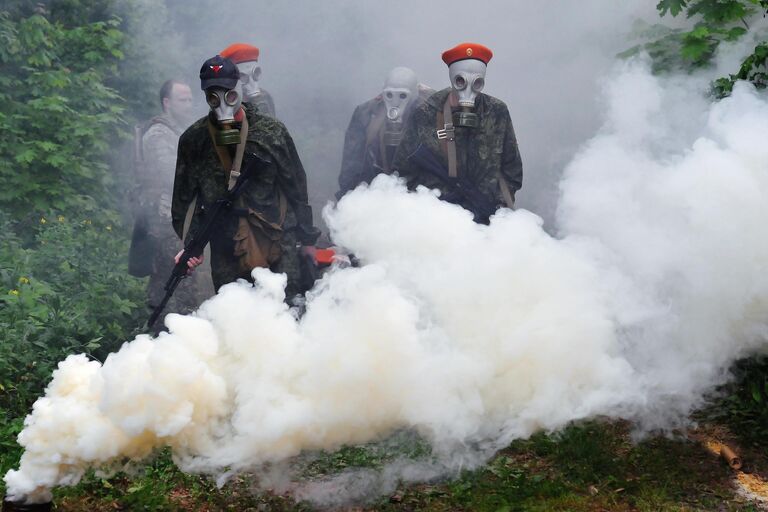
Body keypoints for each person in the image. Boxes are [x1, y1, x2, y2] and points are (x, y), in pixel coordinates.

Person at [171, 55, 319, 298]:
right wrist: (191, 246)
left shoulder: (271, 131)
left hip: (277, 239)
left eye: (228, 91)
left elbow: (296, 187)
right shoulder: (194, 139)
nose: (222, 99)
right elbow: (184, 201)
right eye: (213, 93)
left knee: (286, 311)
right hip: (226, 246)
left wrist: (308, 239)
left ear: (238, 87)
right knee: (234, 314)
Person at [391, 43, 522, 223]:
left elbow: (512, 169)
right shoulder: (426, 114)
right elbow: (402, 171)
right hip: (436, 221)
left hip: (486, 219)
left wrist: (499, 206)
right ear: (453, 79)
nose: (467, 88)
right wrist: (424, 204)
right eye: (460, 81)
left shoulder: (497, 112)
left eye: (476, 82)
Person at [130, 79, 204, 321]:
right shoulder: (159, 134)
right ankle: (174, 332)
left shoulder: (180, 131)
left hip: (176, 216)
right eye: (183, 99)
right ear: (167, 102)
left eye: (191, 99)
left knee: (168, 279)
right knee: (179, 282)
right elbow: (171, 175)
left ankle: (162, 330)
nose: (189, 104)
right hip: (166, 220)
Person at [337, 67, 432, 198]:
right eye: (390, 95)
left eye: (402, 96)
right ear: (383, 93)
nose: (395, 102)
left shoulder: (429, 114)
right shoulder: (366, 113)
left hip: (418, 196)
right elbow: (352, 163)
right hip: (374, 192)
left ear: (414, 94)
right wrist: (347, 197)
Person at [220, 43, 277, 117]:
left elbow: (273, 124)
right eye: (243, 76)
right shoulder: (224, 103)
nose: (252, 83)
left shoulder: (265, 96)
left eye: (255, 73)